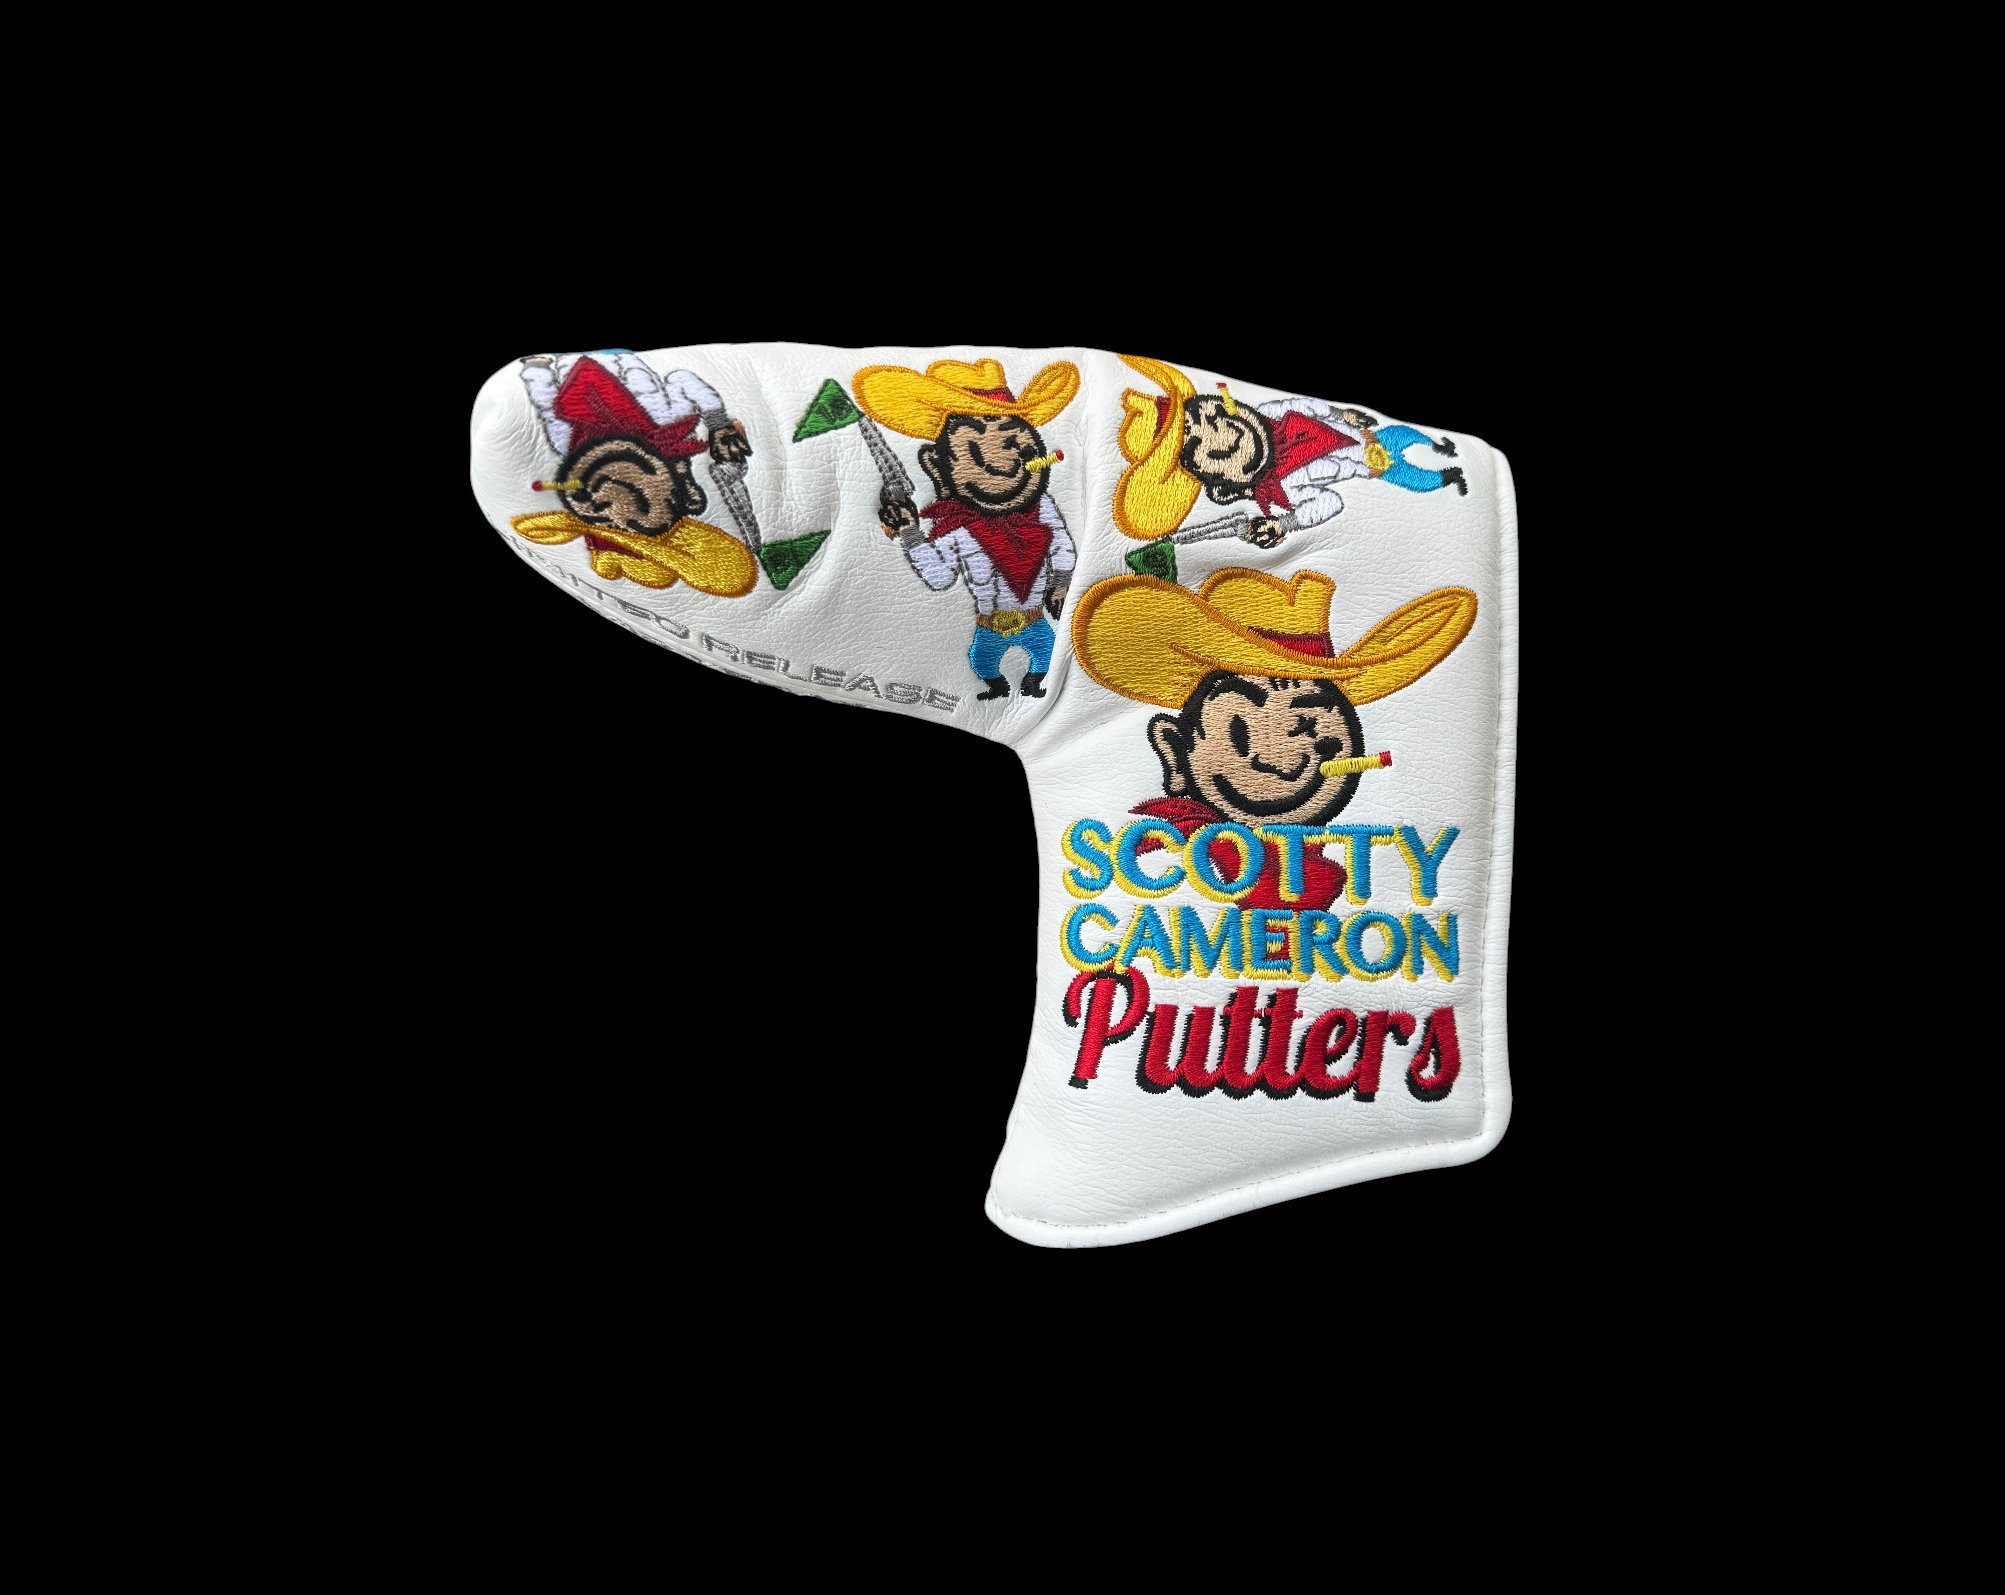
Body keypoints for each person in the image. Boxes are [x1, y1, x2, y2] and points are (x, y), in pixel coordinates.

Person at [1071, 565, 1479, 909]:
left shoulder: (1320, 868)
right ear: (1175, 752)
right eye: (1242, 730)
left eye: (1310, 725)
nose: (1284, 757)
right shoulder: (1158, 853)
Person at [854, 357, 1080, 700]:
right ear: (935, 465)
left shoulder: (1041, 506)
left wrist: (1061, 582)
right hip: (989, 622)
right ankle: (997, 687)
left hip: (1034, 617)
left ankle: (1032, 684)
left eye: (1013, 437)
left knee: (1044, 655)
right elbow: (940, 577)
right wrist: (911, 533)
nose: (1006, 457)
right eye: (979, 444)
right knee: (984, 662)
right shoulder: (953, 525)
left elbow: (1060, 543)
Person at [1111, 355, 1466, 552]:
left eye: (1213, 413)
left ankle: (1442, 449)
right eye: (1195, 444)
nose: (1219, 429)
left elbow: (1303, 406)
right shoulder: (1284, 491)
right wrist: (1285, 524)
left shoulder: (1272, 415)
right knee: (1416, 478)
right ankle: (1449, 476)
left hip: (1370, 436)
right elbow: (1331, 503)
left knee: (1410, 436)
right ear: (1218, 488)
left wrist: (1341, 414)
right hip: (1373, 469)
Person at [509, 352, 755, 595]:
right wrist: (719, 425)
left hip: (590, 361)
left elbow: (681, 379)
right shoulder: (567, 438)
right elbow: (681, 379)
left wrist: (718, 426)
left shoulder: (666, 423)